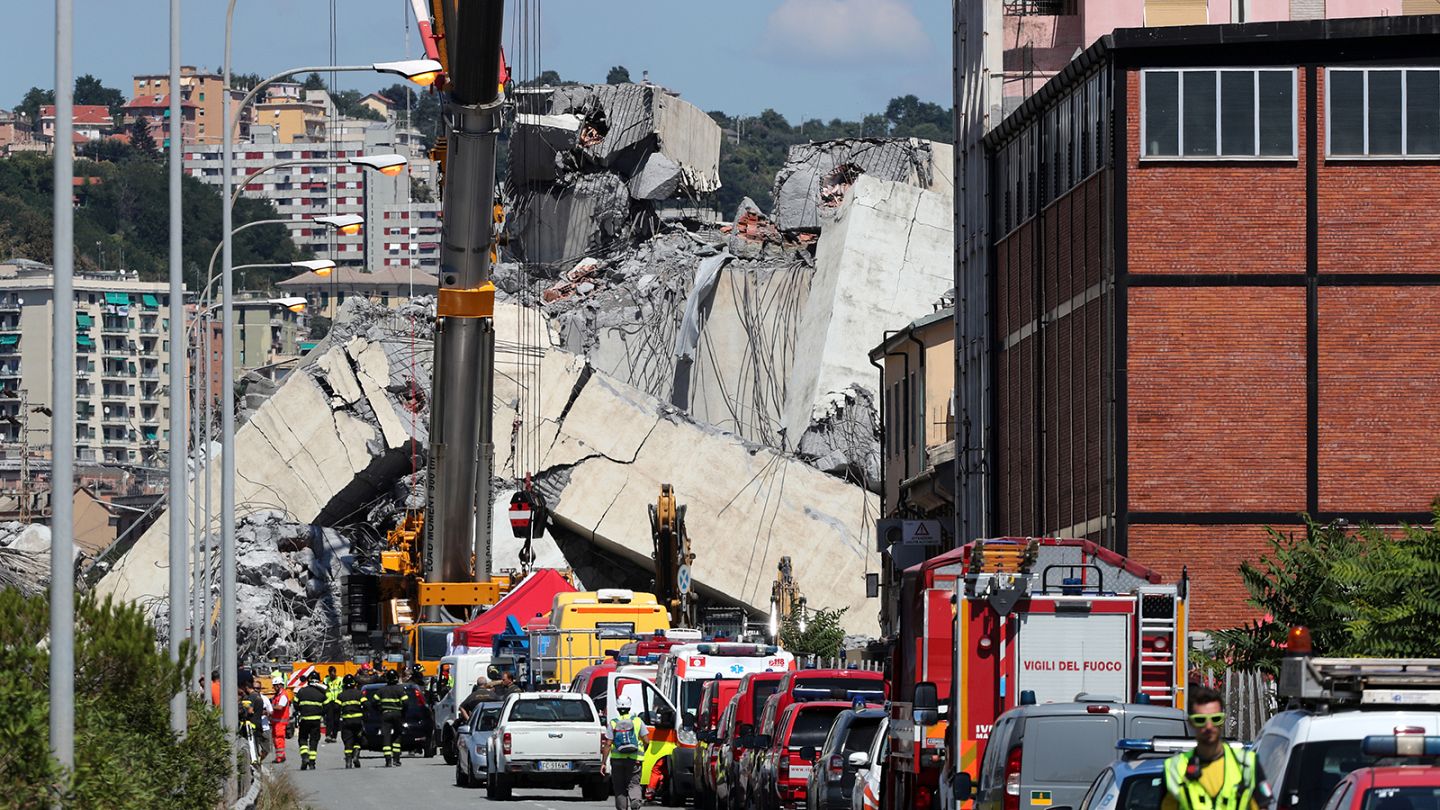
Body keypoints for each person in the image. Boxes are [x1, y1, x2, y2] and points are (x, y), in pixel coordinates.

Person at [1161, 684, 1269, 810]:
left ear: (1223, 721)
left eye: (1215, 719)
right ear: (1191, 722)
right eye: (1200, 720)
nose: (1209, 726)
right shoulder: (1174, 768)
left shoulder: (1248, 763)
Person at [602, 695, 649, 810]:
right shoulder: (638, 721)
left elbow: (608, 744)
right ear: (629, 707)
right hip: (634, 759)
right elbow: (647, 741)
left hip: (617, 760)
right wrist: (641, 753)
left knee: (619, 788)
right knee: (634, 783)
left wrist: (603, 763)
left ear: (617, 708)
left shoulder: (613, 723)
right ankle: (635, 801)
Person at [371, 668, 410, 767]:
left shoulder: (381, 690)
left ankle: (388, 760)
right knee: (397, 735)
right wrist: (403, 712)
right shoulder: (400, 689)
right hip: (397, 714)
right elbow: (406, 702)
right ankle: (396, 759)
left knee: (386, 736)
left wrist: (380, 710)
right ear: (396, 678)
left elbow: (373, 702)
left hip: (385, 714)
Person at [294, 671, 329, 771]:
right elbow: (327, 706)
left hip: (304, 719)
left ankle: (305, 757)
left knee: (303, 739)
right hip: (316, 721)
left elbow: (295, 704)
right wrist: (320, 713)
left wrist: (302, 710)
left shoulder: (301, 691)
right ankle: (312, 763)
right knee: (314, 741)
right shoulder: (321, 693)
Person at [336, 674, 367, 769]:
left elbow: (336, 708)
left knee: (348, 741)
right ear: (354, 684)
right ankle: (356, 756)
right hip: (358, 721)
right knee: (358, 739)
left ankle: (348, 761)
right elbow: (366, 705)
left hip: (346, 722)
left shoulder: (341, 695)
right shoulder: (359, 694)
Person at [269, 678, 291, 764]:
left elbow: (280, 707)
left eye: (274, 686)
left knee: (279, 739)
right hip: (276, 721)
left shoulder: (283, 695)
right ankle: (280, 755)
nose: (274, 688)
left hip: (280, 722)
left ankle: (280, 757)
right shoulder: (277, 695)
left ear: (279, 685)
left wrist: (270, 707)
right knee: (276, 739)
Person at [323, 666, 343, 743]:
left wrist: (340, 701)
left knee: (336, 720)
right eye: (331, 673)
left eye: (334, 673)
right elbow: (324, 690)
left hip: (338, 702)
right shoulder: (326, 680)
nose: (332, 675)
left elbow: (342, 690)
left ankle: (334, 736)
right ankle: (328, 735)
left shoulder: (340, 680)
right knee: (329, 719)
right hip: (329, 702)